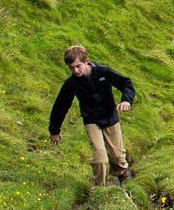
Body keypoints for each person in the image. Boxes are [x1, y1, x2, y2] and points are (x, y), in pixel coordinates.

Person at [48, 45, 135, 186]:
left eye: (78, 66)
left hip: (110, 117)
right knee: (100, 157)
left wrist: (126, 100)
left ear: (86, 61)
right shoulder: (71, 84)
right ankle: (100, 188)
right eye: (71, 68)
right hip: (91, 120)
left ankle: (121, 173)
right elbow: (61, 106)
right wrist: (54, 130)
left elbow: (126, 83)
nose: (75, 71)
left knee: (118, 157)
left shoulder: (103, 71)